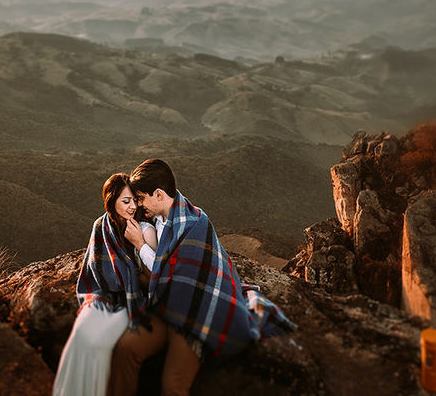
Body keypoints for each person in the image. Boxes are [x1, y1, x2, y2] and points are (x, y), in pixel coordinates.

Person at [108, 159, 296, 396]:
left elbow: (172, 276)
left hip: (194, 313)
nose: (138, 204)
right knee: (125, 351)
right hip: (164, 308)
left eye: (141, 198)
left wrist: (139, 245)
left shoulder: (194, 224)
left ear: (158, 194)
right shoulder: (155, 222)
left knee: (173, 385)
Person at [53, 173, 157, 396]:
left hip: (131, 298)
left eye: (134, 201)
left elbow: (153, 275)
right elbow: (94, 266)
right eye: (125, 201)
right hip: (102, 295)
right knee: (80, 335)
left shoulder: (145, 228)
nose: (132, 207)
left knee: (99, 344)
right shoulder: (101, 226)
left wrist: (137, 245)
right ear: (112, 201)